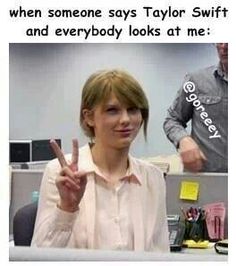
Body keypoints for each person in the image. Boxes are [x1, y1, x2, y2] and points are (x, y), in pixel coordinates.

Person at [31, 69, 169, 252]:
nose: (126, 119)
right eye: (113, 110)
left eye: (133, 109)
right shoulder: (61, 173)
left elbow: (160, 252)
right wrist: (67, 208)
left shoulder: (153, 178)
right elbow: (38, 256)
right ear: (88, 117)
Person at [163, 43, 228, 173]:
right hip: (203, 179)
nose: (223, 46)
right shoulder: (196, 81)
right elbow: (172, 120)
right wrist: (183, 139)